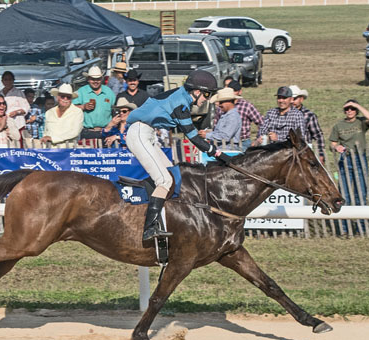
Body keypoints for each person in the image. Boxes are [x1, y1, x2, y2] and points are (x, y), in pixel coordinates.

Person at [125, 70, 228, 241]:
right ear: (196, 91)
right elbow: (193, 137)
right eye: (207, 94)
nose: (207, 99)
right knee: (165, 180)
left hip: (147, 134)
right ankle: (149, 228)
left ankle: (154, 215)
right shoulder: (181, 104)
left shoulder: (182, 97)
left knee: (171, 175)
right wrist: (218, 154)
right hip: (139, 133)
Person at [329, 100, 369, 217]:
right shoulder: (338, 125)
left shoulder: (361, 122)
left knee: (361, 193)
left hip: (360, 158)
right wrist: (336, 147)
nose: (349, 111)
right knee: (344, 194)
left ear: (356, 110)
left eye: (352, 108)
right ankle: (345, 226)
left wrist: (356, 104)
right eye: (347, 109)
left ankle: (361, 226)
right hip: (345, 159)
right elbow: (332, 143)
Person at [212, 81, 264, 151]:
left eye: (235, 91)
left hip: (243, 142)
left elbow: (261, 122)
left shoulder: (247, 106)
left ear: (240, 92)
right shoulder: (221, 107)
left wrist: (258, 138)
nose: (232, 92)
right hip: (224, 143)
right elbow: (216, 124)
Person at [74, 66, 117, 140]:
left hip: (106, 132)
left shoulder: (109, 92)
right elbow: (71, 109)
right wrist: (83, 107)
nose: (95, 81)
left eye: (98, 79)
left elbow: (115, 110)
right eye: (93, 79)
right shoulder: (81, 92)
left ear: (101, 79)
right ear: (88, 79)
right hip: (87, 132)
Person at [289, 85, 326, 158]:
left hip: (304, 153)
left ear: (301, 99)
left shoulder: (309, 115)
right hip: (287, 152)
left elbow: (318, 135)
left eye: (295, 99)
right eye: (290, 99)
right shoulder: (283, 114)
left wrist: (321, 154)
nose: (292, 101)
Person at [0, 71, 29, 144]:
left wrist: (17, 112)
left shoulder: (19, 93)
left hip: (17, 123)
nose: (8, 82)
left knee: (18, 145)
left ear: (13, 80)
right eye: (5, 80)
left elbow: (26, 108)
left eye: (10, 79)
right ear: (2, 81)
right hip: (4, 124)